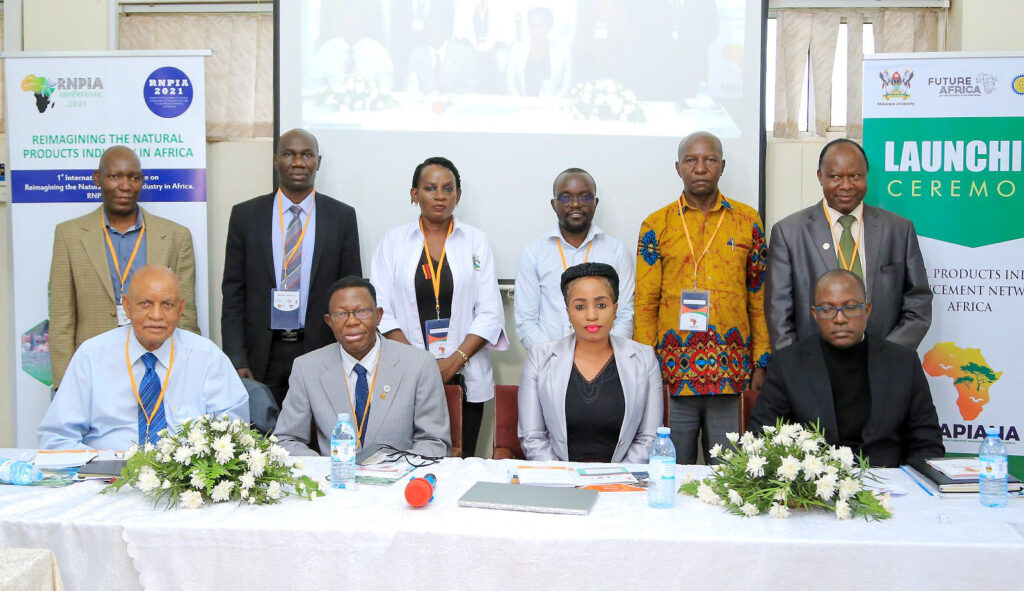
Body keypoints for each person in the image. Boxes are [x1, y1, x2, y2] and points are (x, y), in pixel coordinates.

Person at [634, 131, 771, 464]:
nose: (700, 168)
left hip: (731, 370)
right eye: (690, 160)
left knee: (728, 471)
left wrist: (762, 358)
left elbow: (758, 296)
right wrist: (643, 363)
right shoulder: (656, 225)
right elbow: (646, 301)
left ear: (721, 167)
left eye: (709, 160)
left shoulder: (748, 221)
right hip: (672, 373)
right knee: (671, 467)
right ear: (678, 168)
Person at [371, 156, 508, 457]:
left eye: (448, 189)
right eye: (430, 188)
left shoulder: (476, 241)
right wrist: (418, 363)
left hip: (465, 374)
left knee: (463, 459)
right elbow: (380, 310)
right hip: (406, 373)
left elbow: (490, 313)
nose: (440, 195)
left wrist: (453, 362)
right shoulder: (393, 242)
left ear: (458, 195)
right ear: (414, 194)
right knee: (407, 460)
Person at [221, 129, 362, 407]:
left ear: (318, 162)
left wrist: (347, 352)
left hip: (322, 350)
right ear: (276, 161)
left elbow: (351, 292)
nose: (298, 162)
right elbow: (233, 292)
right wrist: (237, 358)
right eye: (289, 154)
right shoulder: (246, 216)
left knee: (319, 435)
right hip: (263, 353)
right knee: (263, 441)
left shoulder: (342, 217)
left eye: (306, 155)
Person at [38, 265, 249, 450]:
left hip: (184, 483)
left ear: (181, 308)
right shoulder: (92, 355)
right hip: (104, 478)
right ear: (128, 307)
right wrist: (97, 466)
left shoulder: (208, 358)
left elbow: (233, 437)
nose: (156, 316)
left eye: (167, 304)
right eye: (145, 304)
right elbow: (57, 438)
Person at [750, 269, 944, 468]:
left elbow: (927, 443)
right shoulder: (787, 364)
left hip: (890, 485)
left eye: (850, 308)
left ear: (867, 310)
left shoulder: (902, 361)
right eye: (827, 309)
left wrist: (910, 487)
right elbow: (762, 437)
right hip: (814, 487)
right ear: (815, 314)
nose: (840, 318)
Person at [49, 145, 199, 389]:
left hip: (157, 365)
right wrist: (64, 384)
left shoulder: (175, 236)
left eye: (134, 177)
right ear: (97, 179)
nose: (125, 185)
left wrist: (188, 374)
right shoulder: (69, 235)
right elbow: (61, 318)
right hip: (93, 369)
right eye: (114, 176)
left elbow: (186, 315)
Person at [765, 138, 932, 351]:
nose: (846, 185)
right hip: (813, 367)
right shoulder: (789, 232)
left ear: (866, 176)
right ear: (820, 177)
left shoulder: (898, 230)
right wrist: (800, 369)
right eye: (835, 176)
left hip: (882, 367)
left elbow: (918, 302)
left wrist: (888, 356)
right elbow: (778, 313)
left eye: (855, 176)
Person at [275, 277, 451, 458]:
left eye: (361, 311)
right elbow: (286, 440)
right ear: (329, 321)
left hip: (398, 480)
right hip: (335, 480)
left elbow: (434, 442)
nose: (352, 322)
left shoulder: (419, 364)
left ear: (378, 316)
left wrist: (394, 472)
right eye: (341, 314)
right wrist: (328, 471)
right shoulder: (307, 368)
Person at [518, 263, 662, 462]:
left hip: (622, 482)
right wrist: (564, 479)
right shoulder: (540, 356)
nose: (592, 315)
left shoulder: (644, 357)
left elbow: (649, 437)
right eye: (580, 306)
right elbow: (532, 437)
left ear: (615, 309)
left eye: (601, 305)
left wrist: (616, 480)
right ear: (568, 312)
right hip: (560, 481)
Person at [514, 167, 634, 350]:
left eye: (585, 197)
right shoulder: (534, 253)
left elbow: (625, 314)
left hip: (606, 362)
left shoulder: (616, 250)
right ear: (554, 204)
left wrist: (603, 356)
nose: (576, 204)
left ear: (595, 202)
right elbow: (526, 320)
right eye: (565, 197)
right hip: (550, 361)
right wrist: (553, 357)